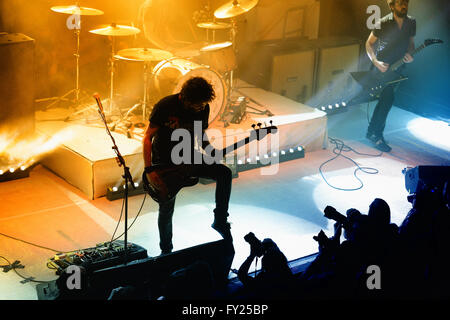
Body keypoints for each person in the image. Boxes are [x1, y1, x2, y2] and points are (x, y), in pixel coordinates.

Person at [142, 77, 233, 255]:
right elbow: (147, 138)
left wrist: (211, 150)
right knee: (166, 208)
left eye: (203, 104)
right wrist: (150, 170)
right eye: (197, 105)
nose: (201, 108)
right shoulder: (166, 106)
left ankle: (220, 219)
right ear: (185, 98)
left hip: (189, 157)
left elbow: (201, 136)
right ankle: (166, 251)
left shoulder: (203, 108)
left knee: (224, 173)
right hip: (165, 162)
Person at [365, 0, 416, 152]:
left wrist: (410, 54)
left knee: (385, 100)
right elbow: (368, 43)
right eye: (400, 3)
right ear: (392, 6)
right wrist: (375, 62)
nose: (404, 5)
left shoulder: (411, 22)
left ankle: (371, 132)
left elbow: (411, 43)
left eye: (406, 2)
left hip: (398, 67)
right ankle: (376, 135)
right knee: (387, 99)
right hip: (382, 67)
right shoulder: (383, 22)